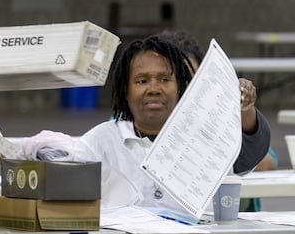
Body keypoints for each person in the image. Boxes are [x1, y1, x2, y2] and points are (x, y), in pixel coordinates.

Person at [20, 35, 271, 213]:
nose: (154, 88)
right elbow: (63, 159)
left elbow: (247, 152)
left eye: (164, 79)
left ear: (182, 87)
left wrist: (245, 110)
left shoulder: (204, 134)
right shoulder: (104, 138)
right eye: (141, 81)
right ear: (124, 91)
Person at [156, 29, 277, 212]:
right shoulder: (134, 121)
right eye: (170, 78)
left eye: (189, 77)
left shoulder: (219, 112)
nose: (183, 86)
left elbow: (267, 162)